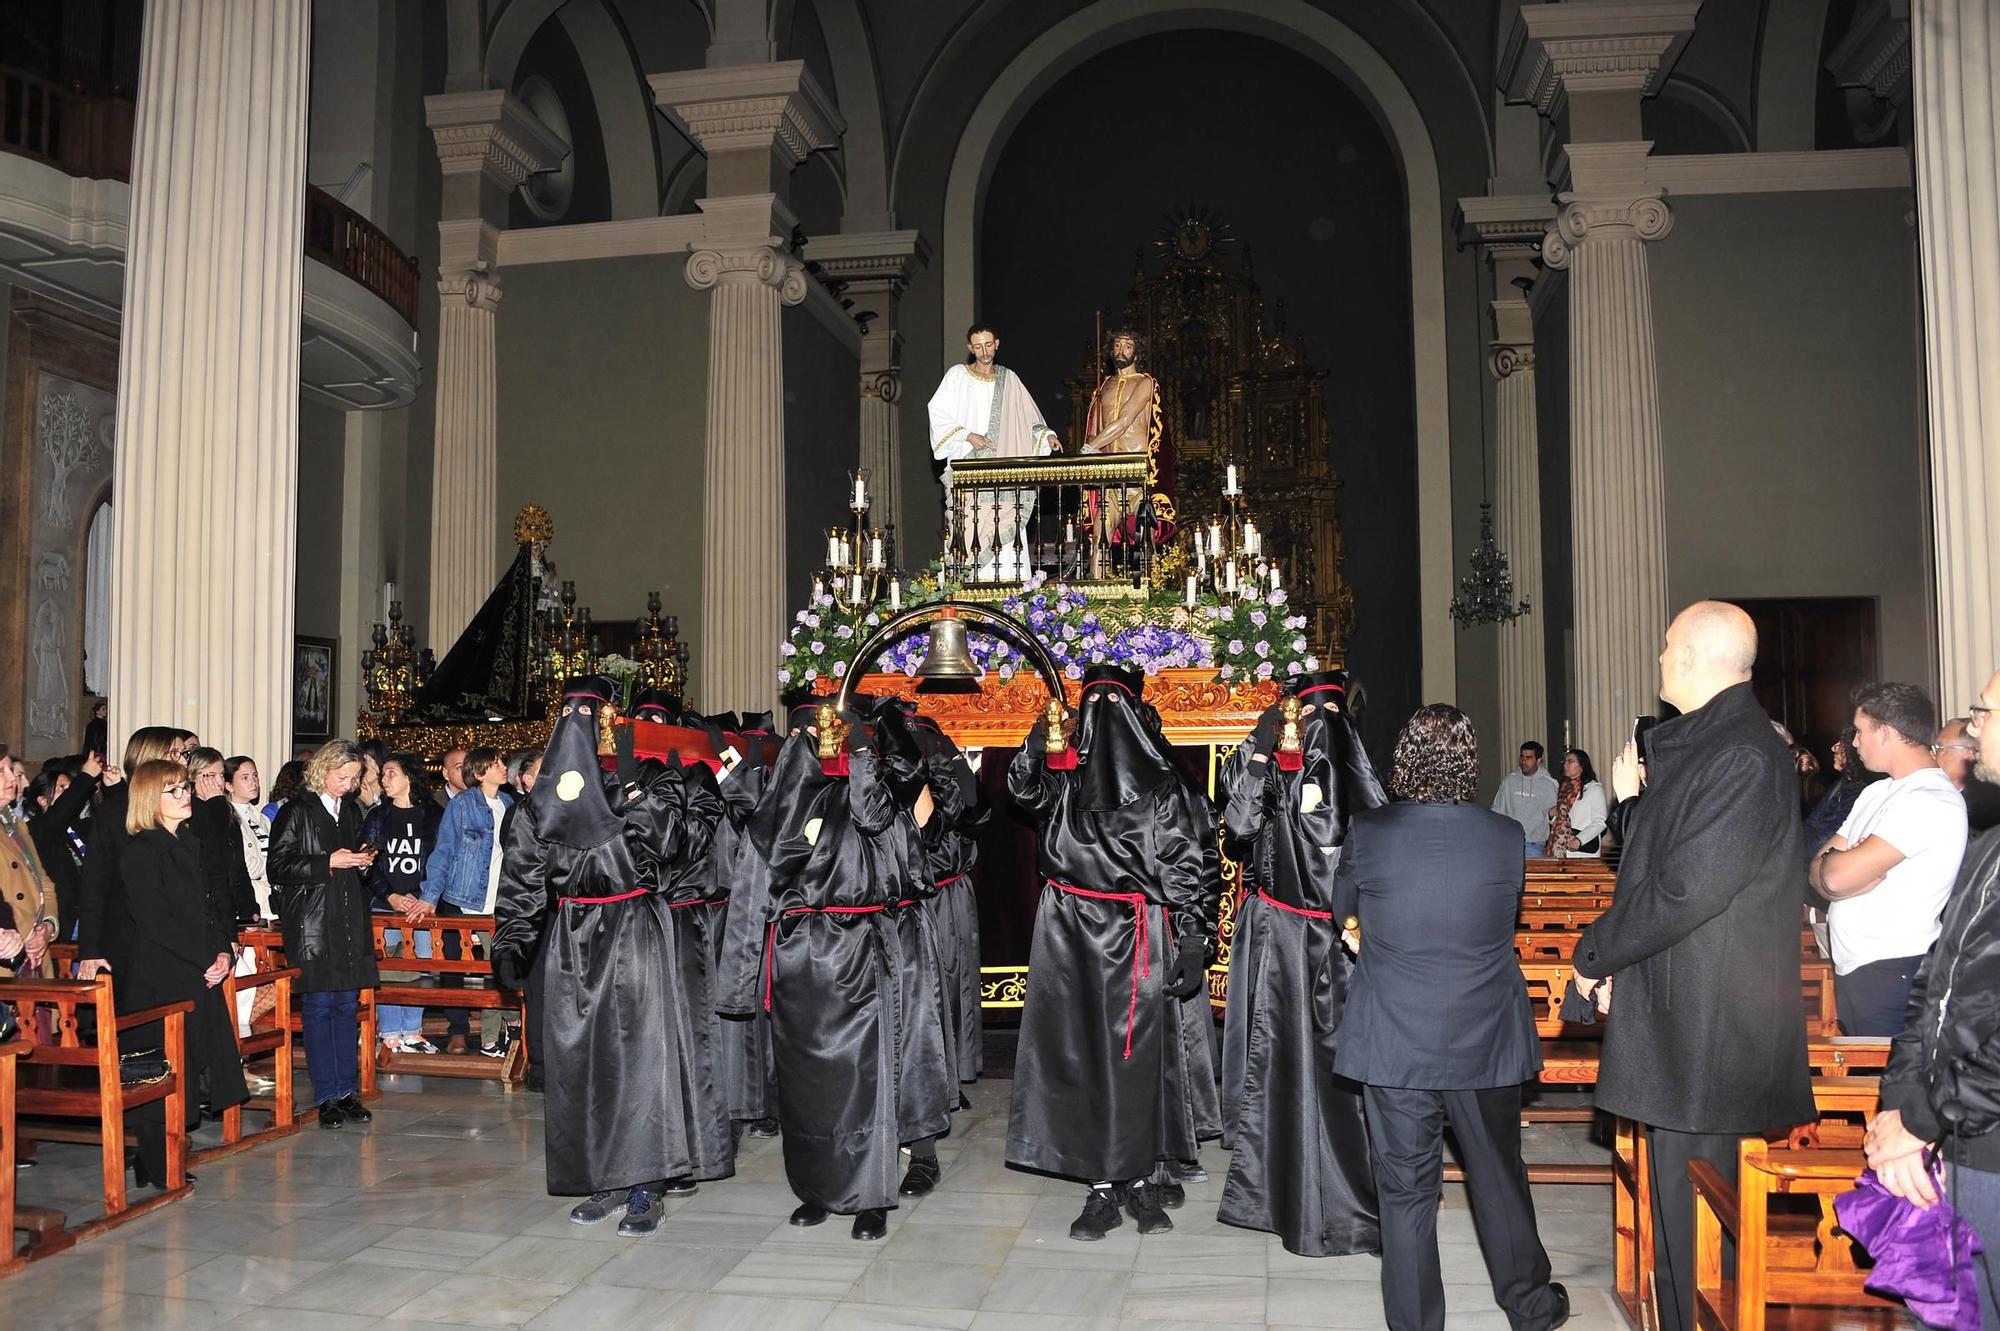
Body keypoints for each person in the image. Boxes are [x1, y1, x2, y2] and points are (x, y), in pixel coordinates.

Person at [1567, 601, 1816, 1331]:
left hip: (1712, 1031)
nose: (1658, 659)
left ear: (1697, 658)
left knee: (1704, 1241)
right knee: (1680, 1231)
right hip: (1689, 1021)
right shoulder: (1718, 746)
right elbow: (1673, 860)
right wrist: (1633, 803)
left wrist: (1596, 952)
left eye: (1668, 645)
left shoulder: (1740, 753)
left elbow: (1684, 888)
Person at [1333, 704, 1565, 1329]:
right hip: (1482, 1034)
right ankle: (1531, 1307)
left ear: (1405, 757)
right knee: (1497, 1177)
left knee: (1405, 1194)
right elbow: (1501, 913)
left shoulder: (1370, 831)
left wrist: (1363, 931)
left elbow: (1341, 908)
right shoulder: (1503, 836)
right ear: (1468, 761)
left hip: (1395, 1037)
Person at [1005, 664, 1220, 1242]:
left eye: (1108, 703)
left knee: (1138, 1058)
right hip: (1067, 931)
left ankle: (1145, 1176)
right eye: (1089, 702)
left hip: (1135, 930)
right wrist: (1043, 732)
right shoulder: (1065, 770)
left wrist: (1194, 941)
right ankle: (1100, 1185)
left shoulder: (1160, 785)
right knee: (1080, 1054)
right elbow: (1021, 791)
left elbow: (1186, 866)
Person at [492, 676, 704, 1238]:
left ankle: (646, 1185)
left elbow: (675, 844)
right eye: (571, 713)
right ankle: (606, 1177)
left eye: (591, 712)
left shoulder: (649, 774)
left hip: (633, 926)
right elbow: (523, 875)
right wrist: (513, 938)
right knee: (582, 1063)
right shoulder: (545, 797)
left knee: (638, 1062)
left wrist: (633, 793)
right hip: (572, 936)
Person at [718, 704, 918, 1241]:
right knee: (805, 1084)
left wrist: (857, 757)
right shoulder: (783, 804)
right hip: (798, 954)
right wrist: (739, 979)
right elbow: (753, 888)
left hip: (859, 950)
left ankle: (870, 1195)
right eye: (807, 730)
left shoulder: (873, 791)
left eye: (828, 729)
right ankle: (817, 1189)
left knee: (864, 1078)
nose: (817, 739)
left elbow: (880, 822)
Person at [1219, 669, 1385, 1257]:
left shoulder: (1358, 786)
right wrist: (1264, 752)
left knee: (1339, 1078)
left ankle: (1349, 1207)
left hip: (1329, 946)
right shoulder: (1286, 773)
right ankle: (1285, 1196)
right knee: (1286, 1073)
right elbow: (1238, 826)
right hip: (1291, 939)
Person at [1866, 666, 2000, 1325]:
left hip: (1986, 1135)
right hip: (1950, 1136)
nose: (1974, 726)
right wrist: (1899, 1103)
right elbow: (1932, 981)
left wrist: (1924, 1117)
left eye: (1987, 712)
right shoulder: (1987, 846)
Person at [118, 758, 249, 1185]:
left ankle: (167, 1153)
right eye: (173, 790)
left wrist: (222, 953)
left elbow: (211, 909)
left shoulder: (190, 840)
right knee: (161, 1064)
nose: (185, 795)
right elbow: (155, 921)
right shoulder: (141, 851)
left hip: (197, 965)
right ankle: (155, 1161)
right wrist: (203, 958)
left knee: (192, 1061)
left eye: (184, 787)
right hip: (161, 972)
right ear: (149, 800)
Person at [1810, 682, 1968, 1035]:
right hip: (1857, 967)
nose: (1854, 742)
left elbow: (1833, 878)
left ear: (1886, 732)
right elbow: (1818, 869)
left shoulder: (1930, 799)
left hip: (1895, 969)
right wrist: (1840, 868)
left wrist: (1838, 870)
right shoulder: (1876, 792)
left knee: (1892, 1083)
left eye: (1860, 731)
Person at [268, 740, 379, 1128]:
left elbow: (352, 859)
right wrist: (326, 861)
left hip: (347, 919)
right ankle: (326, 1096)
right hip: (312, 924)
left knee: (347, 1008)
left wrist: (363, 862)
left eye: (353, 778)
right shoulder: (297, 810)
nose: (347, 785)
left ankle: (348, 1092)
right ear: (322, 770)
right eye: (341, 777)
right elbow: (278, 866)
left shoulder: (348, 809)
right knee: (319, 1009)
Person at [927, 323, 1061, 578]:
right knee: (966, 527)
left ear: (997, 344)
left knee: (1007, 531)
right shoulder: (957, 376)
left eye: (988, 345)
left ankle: (1011, 591)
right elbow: (938, 413)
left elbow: (1029, 418)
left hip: (1003, 472)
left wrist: (1047, 435)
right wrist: (967, 435)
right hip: (967, 463)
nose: (984, 351)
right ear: (970, 348)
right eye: (978, 346)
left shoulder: (1009, 379)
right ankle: (967, 587)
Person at [418, 746, 512, 1054]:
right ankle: (457, 1029)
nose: (504, 767)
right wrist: (430, 896)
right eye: (497, 763)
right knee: (454, 967)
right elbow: (444, 851)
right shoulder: (462, 805)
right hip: (463, 897)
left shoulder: (509, 803)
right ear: (482, 772)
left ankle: (491, 1037)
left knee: (499, 967)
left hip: (498, 900)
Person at [77, 726, 184, 980]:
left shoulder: (183, 807)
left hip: (178, 935)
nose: (182, 760)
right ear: (151, 757)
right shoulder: (116, 811)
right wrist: (89, 950)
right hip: (129, 934)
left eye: (183, 754)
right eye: (175, 753)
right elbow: (95, 883)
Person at [363, 754, 444, 1055]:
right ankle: (389, 1034)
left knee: (419, 968)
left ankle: (412, 1031)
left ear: (409, 777)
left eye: (391, 773)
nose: (384, 779)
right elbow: (366, 862)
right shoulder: (377, 815)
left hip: (421, 905)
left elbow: (441, 858)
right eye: (383, 773)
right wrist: (390, 896)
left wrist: (426, 897)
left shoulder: (432, 815)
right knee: (389, 968)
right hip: (386, 905)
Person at [1078, 328, 1161, 573]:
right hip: (1110, 474)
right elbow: (1094, 428)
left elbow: (1124, 421)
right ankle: (1096, 601)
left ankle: (1149, 594)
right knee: (1099, 538)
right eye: (1117, 345)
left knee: (1145, 539)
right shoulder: (1104, 385)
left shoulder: (1146, 382)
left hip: (1136, 472)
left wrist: (1088, 448)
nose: (1121, 350)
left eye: (1127, 345)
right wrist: (1090, 449)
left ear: (1137, 351)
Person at [26, 751, 105, 940]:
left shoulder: (79, 827)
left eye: (71, 788)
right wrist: (85, 777)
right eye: (62, 788)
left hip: (93, 916)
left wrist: (114, 786)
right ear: (42, 800)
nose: (71, 794)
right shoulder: (37, 829)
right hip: (68, 921)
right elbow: (58, 814)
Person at [0, 751, 59, 978]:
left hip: (34, 954)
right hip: (9, 952)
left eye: (11, 771)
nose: (12, 779)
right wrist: (24, 934)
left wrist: (48, 926)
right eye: (1, 772)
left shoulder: (14, 824)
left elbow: (42, 881)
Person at [186, 747, 258, 927]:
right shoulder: (188, 813)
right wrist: (215, 806)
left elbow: (238, 865)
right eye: (211, 776)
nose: (219, 782)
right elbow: (212, 859)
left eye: (221, 775)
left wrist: (249, 907)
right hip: (205, 908)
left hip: (230, 905)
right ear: (195, 777)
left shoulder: (227, 811)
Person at [1802, 726, 1882, 864]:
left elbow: (1829, 839)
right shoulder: (1841, 784)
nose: (1834, 748)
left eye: (1841, 744)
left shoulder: (1861, 792)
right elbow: (1811, 823)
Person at [223, 756, 274, 921]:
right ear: (229, 785)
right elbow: (246, 865)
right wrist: (274, 867)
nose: (253, 782)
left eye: (255, 776)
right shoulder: (227, 818)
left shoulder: (262, 818)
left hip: (270, 897)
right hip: (250, 898)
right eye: (245, 778)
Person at [1491, 741, 1559, 856]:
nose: (1524, 761)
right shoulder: (1509, 781)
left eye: (1529, 758)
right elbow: (1497, 811)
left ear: (1538, 760)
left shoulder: (1550, 784)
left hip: (1535, 845)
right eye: (1522, 757)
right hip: (1510, 843)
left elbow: (1555, 817)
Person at [1936, 716, 2000, 834]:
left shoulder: (1984, 811)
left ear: (1970, 753)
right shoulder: (1934, 795)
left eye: (1941, 748)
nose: (1933, 755)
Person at [1546, 749, 1607, 858]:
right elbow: (1562, 820)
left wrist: (1579, 840)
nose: (1566, 764)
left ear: (1582, 765)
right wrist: (1551, 815)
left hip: (1582, 850)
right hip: (1560, 849)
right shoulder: (1564, 788)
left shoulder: (1594, 788)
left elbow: (1600, 822)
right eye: (1565, 761)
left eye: (1570, 761)